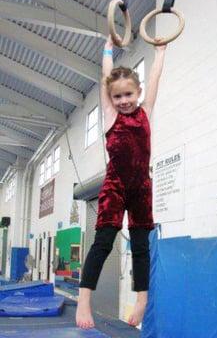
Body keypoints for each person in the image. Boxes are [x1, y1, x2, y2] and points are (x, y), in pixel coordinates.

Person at [76, 35, 167, 329]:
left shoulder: (146, 112)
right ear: (110, 99)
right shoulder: (111, 116)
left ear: (138, 93)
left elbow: (154, 79)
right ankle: (84, 299)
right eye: (117, 96)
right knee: (102, 243)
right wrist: (107, 48)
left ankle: (141, 300)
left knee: (141, 247)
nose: (124, 100)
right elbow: (106, 75)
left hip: (141, 187)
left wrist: (160, 51)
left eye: (129, 94)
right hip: (115, 187)